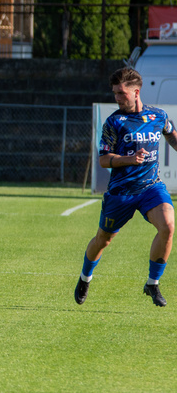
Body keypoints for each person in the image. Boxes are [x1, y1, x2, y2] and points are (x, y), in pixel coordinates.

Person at [75, 67, 177, 307]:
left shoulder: (158, 115)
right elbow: (103, 160)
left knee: (168, 226)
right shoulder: (114, 122)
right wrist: (129, 159)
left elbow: (171, 135)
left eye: (121, 93)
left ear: (136, 92)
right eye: (115, 93)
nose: (117, 98)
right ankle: (85, 277)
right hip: (120, 193)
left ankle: (152, 283)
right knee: (103, 239)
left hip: (151, 188)